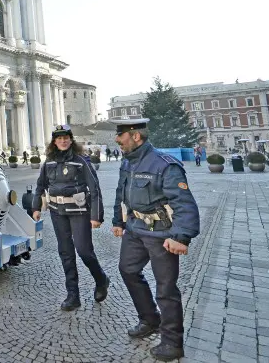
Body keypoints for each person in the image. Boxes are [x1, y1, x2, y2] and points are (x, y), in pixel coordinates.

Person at [111, 118, 200, 361]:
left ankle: (172, 342)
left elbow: (184, 203)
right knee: (128, 270)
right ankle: (150, 318)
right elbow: (122, 193)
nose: (117, 140)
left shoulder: (164, 164)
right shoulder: (127, 162)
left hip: (162, 234)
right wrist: (117, 221)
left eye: (121, 136)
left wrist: (181, 236)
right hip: (135, 229)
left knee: (166, 289)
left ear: (135, 136)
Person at [32, 124, 109, 311]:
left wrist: (96, 216)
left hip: (79, 212)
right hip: (57, 213)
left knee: (84, 251)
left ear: (71, 139)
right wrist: (35, 208)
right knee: (65, 253)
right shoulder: (48, 162)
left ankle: (101, 279)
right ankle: (73, 295)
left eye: (66, 137)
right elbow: (40, 186)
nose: (63, 141)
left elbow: (95, 189)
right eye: (59, 138)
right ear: (54, 141)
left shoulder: (81, 161)